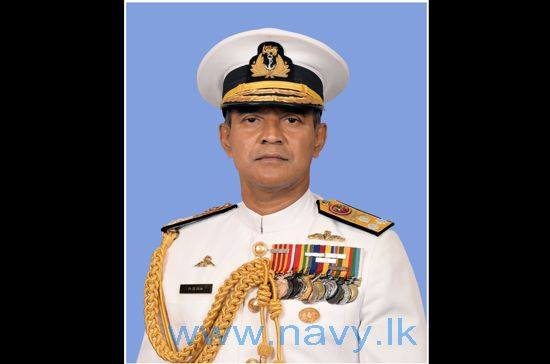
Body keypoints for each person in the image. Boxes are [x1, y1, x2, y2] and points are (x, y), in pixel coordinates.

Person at [137, 28, 426, 363]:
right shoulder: (182, 246)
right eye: (251, 119)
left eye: (291, 119)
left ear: (319, 138)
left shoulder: (373, 246)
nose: (271, 136)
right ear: (226, 138)